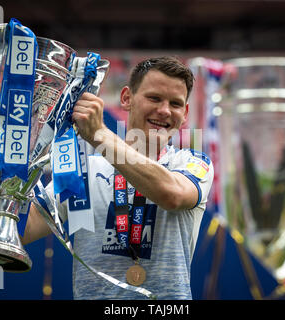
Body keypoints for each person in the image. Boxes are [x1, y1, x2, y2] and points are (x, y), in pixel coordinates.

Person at [22, 56, 214, 299]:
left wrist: (100, 136)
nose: (164, 110)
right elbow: (24, 230)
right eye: (154, 98)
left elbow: (172, 195)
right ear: (126, 98)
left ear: (185, 113)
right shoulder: (84, 170)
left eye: (175, 103)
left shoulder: (193, 163)